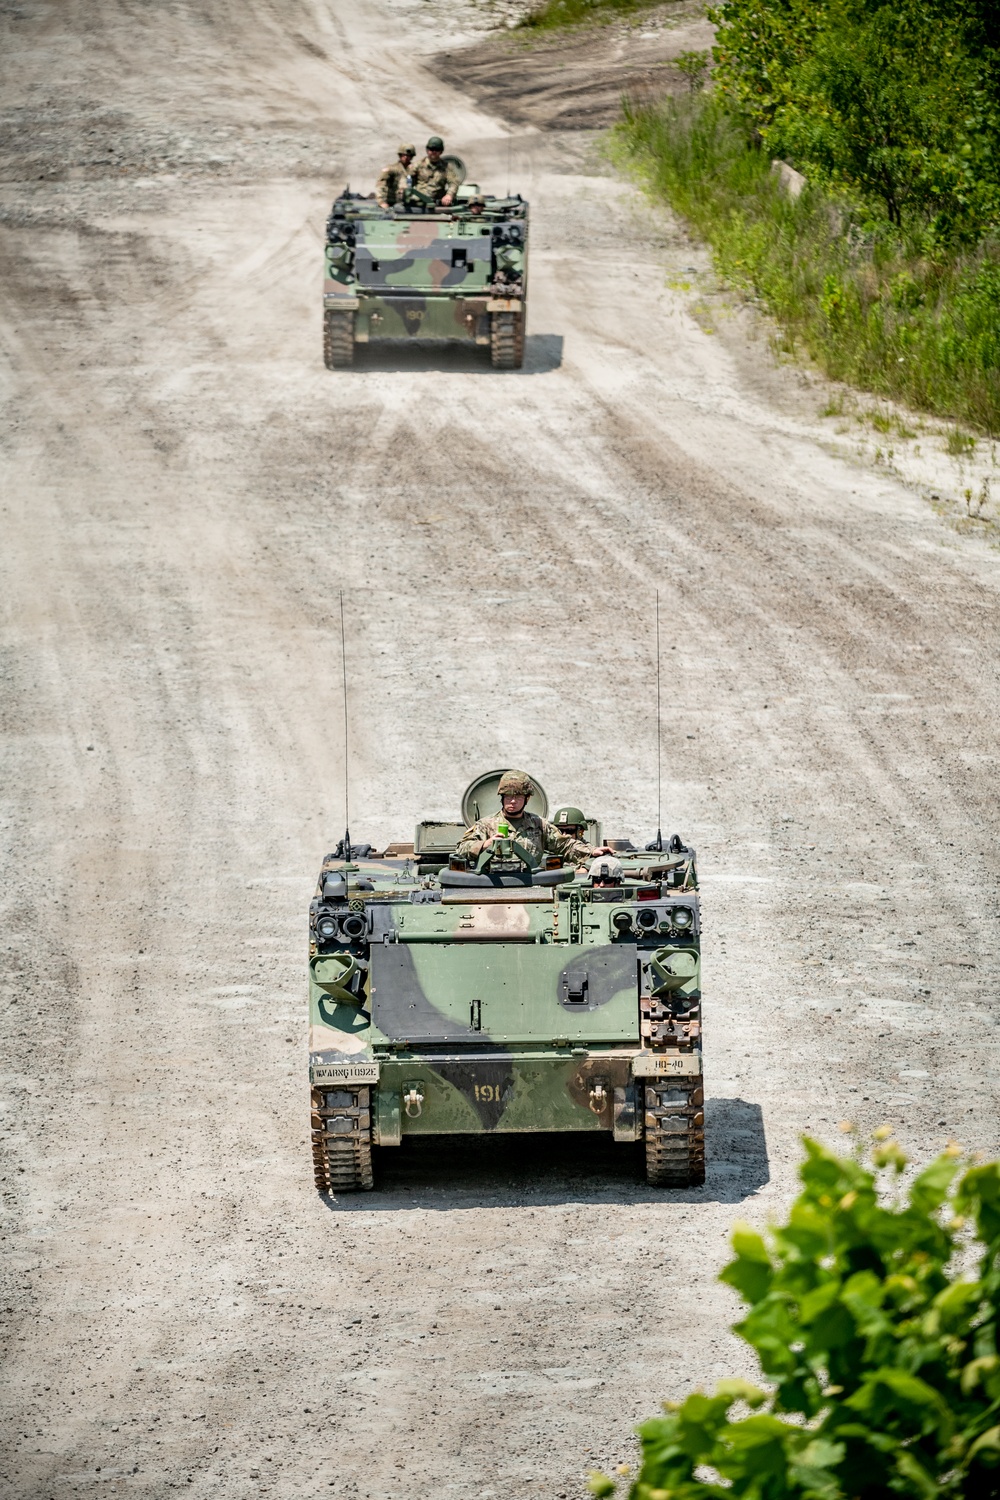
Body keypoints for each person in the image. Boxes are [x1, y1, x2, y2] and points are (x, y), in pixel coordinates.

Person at [456, 771, 612, 869]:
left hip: (530, 885)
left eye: (518, 797)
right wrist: (484, 844)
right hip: (492, 885)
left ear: (527, 799)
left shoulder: (538, 824)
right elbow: (461, 849)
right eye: (508, 796)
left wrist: (592, 850)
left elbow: (564, 844)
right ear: (502, 798)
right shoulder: (485, 825)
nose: (512, 801)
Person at [411, 136, 460, 208]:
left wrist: (449, 195)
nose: (434, 152)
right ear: (427, 150)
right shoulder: (417, 165)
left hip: (437, 205)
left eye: (437, 149)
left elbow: (454, 183)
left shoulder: (447, 167)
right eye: (431, 149)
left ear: (441, 151)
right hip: (418, 204)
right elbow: (407, 181)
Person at [376, 144, 415, 209]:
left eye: (409, 155)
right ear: (400, 155)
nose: (406, 157)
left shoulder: (415, 168)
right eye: (404, 155)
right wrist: (381, 202)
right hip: (393, 203)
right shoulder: (392, 169)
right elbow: (381, 184)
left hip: (410, 203)